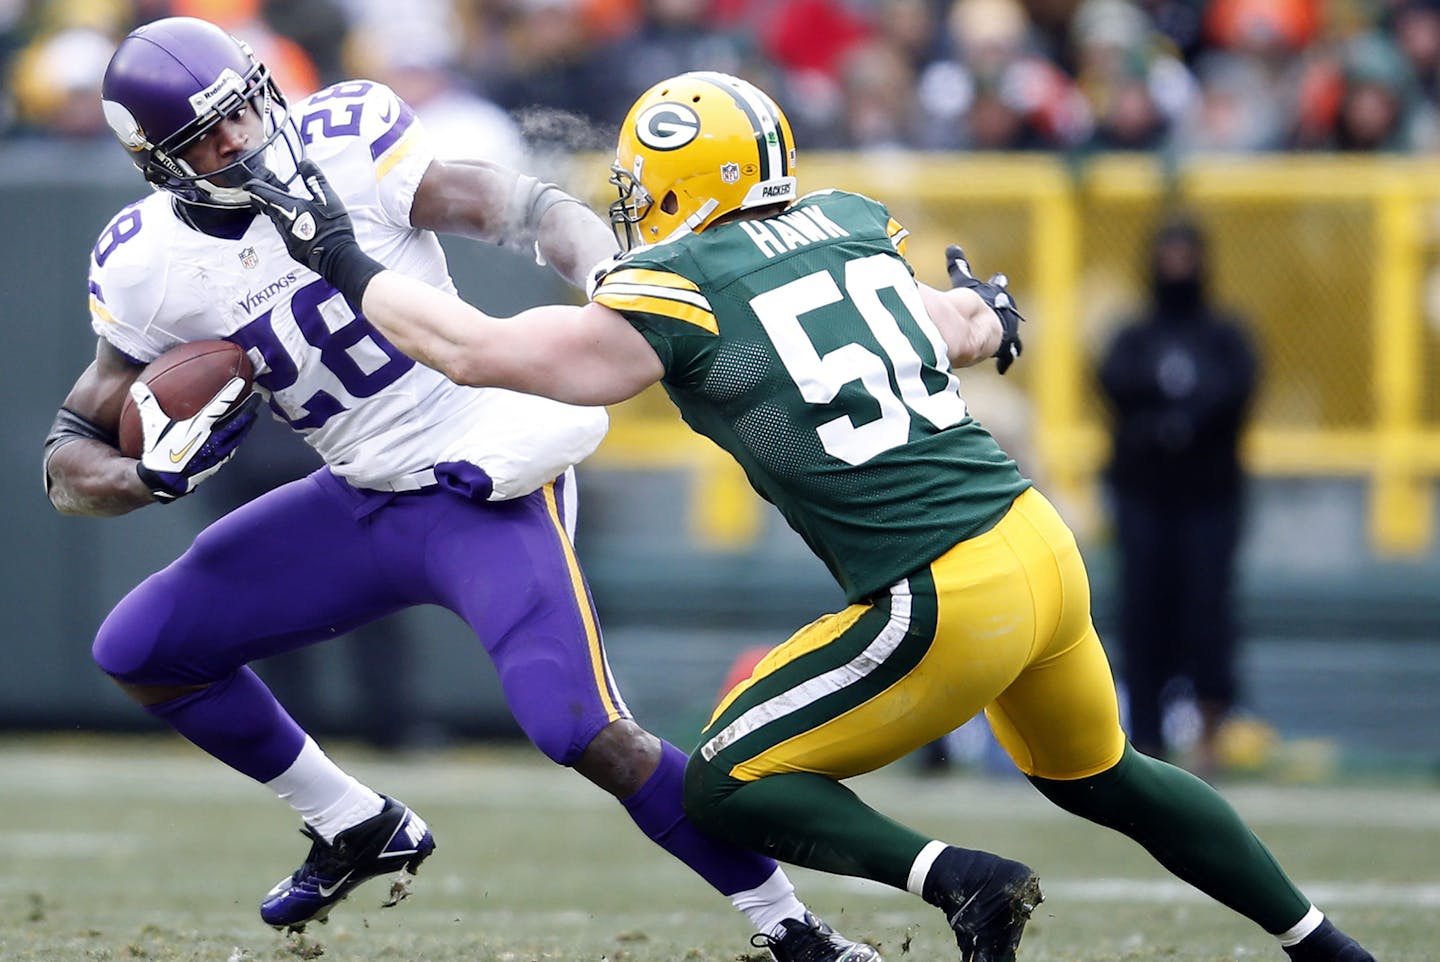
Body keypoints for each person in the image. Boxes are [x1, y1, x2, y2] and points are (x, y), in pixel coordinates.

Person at [247, 69, 1377, 962]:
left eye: (647, 188)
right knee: (1106, 773)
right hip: (1037, 544)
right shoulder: (846, 223)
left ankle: (962, 878)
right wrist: (986, 315)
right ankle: (1323, 944)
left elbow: (473, 348)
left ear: (686, 185)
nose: (634, 211)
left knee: (728, 780)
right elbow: (963, 321)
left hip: (944, 588)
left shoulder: (675, 290)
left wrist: (336, 251)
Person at [42, 20, 879, 962]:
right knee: (144, 647)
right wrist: (143, 475)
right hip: (359, 492)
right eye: (206, 137)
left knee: (581, 729)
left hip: (480, 474)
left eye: (241, 113)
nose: (237, 143)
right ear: (156, 163)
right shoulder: (144, 265)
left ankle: (792, 926)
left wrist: (612, 277)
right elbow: (69, 458)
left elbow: (520, 205)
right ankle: (354, 823)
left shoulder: (346, 142)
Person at [1098, 216, 1260, 773]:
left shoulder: (1225, 336)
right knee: (1144, 614)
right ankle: (1145, 741)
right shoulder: (1134, 336)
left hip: (1209, 500)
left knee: (1207, 614)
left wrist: (1181, 422)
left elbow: (1235, 394)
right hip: (1145, 500)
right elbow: (1112, 386)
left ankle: (1210, 736)